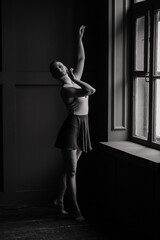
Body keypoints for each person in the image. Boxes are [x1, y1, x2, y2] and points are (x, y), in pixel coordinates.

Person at [49, 25, 96, 222]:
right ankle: (75, 209)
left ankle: (59, 200)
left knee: (70, 168)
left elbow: (81, 59)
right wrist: (76, 78)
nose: (59, 67)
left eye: (60, 64)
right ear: (55, 75)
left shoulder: (75, 80)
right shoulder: (67, 89)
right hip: (72, 127)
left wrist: (79, 38)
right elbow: (91, 91)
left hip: (82, 125)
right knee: (73, 170)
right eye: (55, 68)